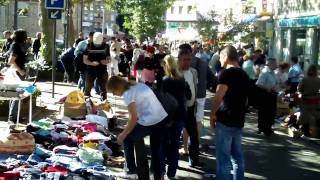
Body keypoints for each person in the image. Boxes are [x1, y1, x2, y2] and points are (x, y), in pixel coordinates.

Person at [106, 76, 168, 180]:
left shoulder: (127, 94)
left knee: (127, 139)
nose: (113, 95)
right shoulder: (137, 85)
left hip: (150, 121)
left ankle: (131, 171)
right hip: (161, 118)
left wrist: (123, 134)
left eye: (113, 92)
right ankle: (156, 173)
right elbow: (139, 109)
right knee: (156, 149)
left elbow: (133, 117)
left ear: (117, 88)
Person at [210, 45, 249, 180]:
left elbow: (218, 97)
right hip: (238, 119)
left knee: (224, 159)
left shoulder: (226, 73)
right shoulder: (244, 74)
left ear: (226, 57)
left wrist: (212, 114)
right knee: (237, 157)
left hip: (225, 119)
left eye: (220, 57)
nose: (220, 60)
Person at [161, 55, 191, 179]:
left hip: (168, 117)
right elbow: (188, 96)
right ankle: (172, 174)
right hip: (180, 116)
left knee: (163, 146)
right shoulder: (182, 79)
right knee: (174, 146)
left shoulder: (166, 80)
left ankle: (161, 172)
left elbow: (163, 100)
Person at [177, 43, 202, 167]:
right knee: (174, 137)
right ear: (179, 60)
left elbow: (195, 87)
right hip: (178, 110)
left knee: (194, 135)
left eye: (189, 59)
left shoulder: (193, 72)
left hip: (191, 109)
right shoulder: (175, 73)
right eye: (185, 60)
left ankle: (194, 160)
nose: (187, 62)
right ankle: (171, 164)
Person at [7, 29, 28, 124]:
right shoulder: (15, 45)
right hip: (16, 73)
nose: (26, 37)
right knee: (16, 95)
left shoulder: (19, 45)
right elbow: (11, 61)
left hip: (19, 72)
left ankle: (15, 116)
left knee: (18, 95)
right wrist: (20, 70)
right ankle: (12, 118)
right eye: (25, 35)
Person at [83, 32, 110, 100]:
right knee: (87, 89)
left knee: (103, 90)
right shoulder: (89, 46)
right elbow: (84, 60)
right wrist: (92, 63)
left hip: (102, 70)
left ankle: (104, 104)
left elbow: (109, 58)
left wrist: (107, 61)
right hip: (91, 70)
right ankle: (86, 104)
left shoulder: (106, 46)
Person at [256, 58, 278, 136]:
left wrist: (275, 87)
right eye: (275, 64)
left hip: (272, 94)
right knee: (264, 111)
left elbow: (274, 82)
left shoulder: (273, 72)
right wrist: (267, 88)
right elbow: (258, 83)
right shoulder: (265, 72)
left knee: (271, 111)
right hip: (265, 94)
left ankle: (268, 127)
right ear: (271, 64)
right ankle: (263, 127)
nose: (277, 65)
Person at [297, 65, 320, 137]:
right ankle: (312, 131)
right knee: (314, 114)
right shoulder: (318, 80)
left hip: (305, 100)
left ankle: (305, 130)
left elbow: (299, 89)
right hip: (315, 101)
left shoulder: (305, 79)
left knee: (305, 115)